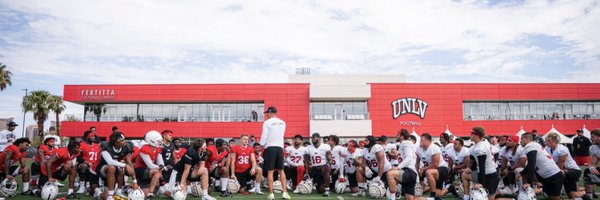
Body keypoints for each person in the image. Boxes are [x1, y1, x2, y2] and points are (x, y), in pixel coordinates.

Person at [520, 132, 564, 200]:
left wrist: (529, 182)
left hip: (553, 176)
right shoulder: (534, 145)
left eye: (521, 139)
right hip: (549, 176)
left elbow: (532, 164)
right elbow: (530, 164)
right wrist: (521, 173)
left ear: (526, 139)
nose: (520, 141)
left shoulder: (530, 146)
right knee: (549, 197)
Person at [545, 132, 589, 200]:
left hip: (573, 170)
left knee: (556, 176)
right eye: (547, 140)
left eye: (549, 140)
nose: (547, 142)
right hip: (564, 171)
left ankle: (556, 193)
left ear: (555, 141)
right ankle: (584, 196)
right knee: (572, 196)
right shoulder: (547, 149)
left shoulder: (562, 149)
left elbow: (561, 164)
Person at [260, 106, 290, 200]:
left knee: (270, 171)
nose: (267, 115)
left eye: (267, 113)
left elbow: (264, 136)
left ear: (270, 113)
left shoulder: (267, 122)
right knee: (281, 170)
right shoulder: (283, 122)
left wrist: (261, 146)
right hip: (280, 148)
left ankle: (271, 194)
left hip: (270, 148)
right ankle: (285, 193)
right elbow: (282, 134)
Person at [462, 127, 499, 200]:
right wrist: (470, 169)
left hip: (490, 175)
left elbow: (482, 166)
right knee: (465, 174)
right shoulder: (478, 145)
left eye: (472, 133)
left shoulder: (481, 147)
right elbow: (475, 161)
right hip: (482, 173)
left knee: (489, 198)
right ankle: (466, 197)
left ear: (476, 135)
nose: (470, 135)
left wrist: (481, 183)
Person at [97, 132, 136, 200]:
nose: (124, 142)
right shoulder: (105, 145)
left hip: (114, 171)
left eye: (124, 139)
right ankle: (110, 195)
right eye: (122, 140)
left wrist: (135, 182)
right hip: (101, 169)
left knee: (120, 169)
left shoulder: (126, 147)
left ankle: (119, 191)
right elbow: (110, 162)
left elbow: (130, 164)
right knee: (112, 167)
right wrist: (125, 165)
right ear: (116, 143)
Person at [416, 133, 449, 200]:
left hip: (442, 169)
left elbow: (435, 165)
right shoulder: (419, 149)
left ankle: (432, 194)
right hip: (432, 170)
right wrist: (418, 172)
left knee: (428, 172)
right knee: (438, 196)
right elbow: (417, 162)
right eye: (420, 140)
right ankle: (450, 189)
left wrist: (423, 169)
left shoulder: (434, 148)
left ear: (427, 141)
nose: (420, 142)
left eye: (422, 140)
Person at [135, 131, 164, 199]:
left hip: (150, 171)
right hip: (140, 170)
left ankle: (129, 188)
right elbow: (150, 165)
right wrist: (162, 167)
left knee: (144, 194)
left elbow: (160, 162)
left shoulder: (158, 148)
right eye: (158, 140)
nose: (160, 142)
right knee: (158, 172)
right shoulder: (144, 148)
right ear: (152, 140)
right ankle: (150, 194)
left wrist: (162, 166)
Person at [394, 129, 418, 200]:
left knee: (390, 174)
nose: (396, 135)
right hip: (408, 171)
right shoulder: (403, 144)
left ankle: (393, 195)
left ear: (402, 136)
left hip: (408, 171)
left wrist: (398, 167)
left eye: (398, 134)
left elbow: (409, 157)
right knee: (410, 198)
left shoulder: (406, 143)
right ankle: (433, 199)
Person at [76, 130, 101, 195]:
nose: (93, 137)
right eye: (91, 136)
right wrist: (87, 162)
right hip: (86, 164)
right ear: (87, 138)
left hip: (96, 165)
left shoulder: (97, 145)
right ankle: (81, 186)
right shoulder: (82, 144)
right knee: (83, 166)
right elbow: (78, 157)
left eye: (94, 136)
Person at [583, 129, 600, 200]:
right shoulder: (595, 147)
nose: (591, 138)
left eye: (593, 137)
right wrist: (591, 168)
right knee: (587, 172)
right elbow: (593, 163)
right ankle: (589, 198)